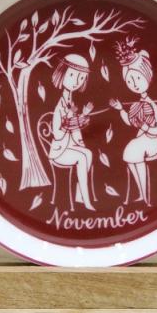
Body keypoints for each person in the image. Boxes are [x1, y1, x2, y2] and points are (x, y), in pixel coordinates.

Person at [110, 37, 157, 205]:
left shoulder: (151, 104)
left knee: (132, 152)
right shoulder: (139, 103)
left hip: (152, 142)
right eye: (129, 81)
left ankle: (145, 194)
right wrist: (120, 109)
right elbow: (130, 122)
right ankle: (141, 192)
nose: (134, 84)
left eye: (138, 78)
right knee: (130, 155)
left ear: (147, 75)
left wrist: (146, 127)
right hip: (143, 141)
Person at [49, 54, 95, 211]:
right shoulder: (59, 105)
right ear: (61, 73)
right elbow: (57, 134)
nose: (76, 81)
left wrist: (84, 114)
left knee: (88, 153)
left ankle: (79, 196)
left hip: (69, 147)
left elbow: (74, 126)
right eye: (72, 75)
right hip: (59, 151)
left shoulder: (70, 101)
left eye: (81, 78)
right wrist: (68, 119)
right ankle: (86, 201)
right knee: (82, 157)